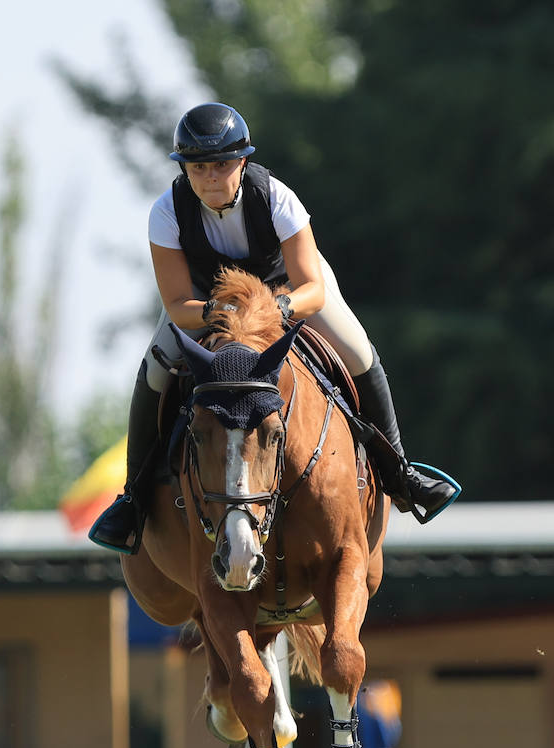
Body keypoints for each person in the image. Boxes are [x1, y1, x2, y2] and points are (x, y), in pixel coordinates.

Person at [89, 102, 458, 554]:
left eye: (220, 165)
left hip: (288, 291)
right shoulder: (166, 212)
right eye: (198, 167)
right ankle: (134, 498)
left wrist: (275, 306)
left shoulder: (277, 197)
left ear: (242, 161)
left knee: (360, 353)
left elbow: (312, 289)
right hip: (209, 303)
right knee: (153, 372)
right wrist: (220, 312)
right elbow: (176, 303)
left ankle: (400, 474)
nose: (209, 178)